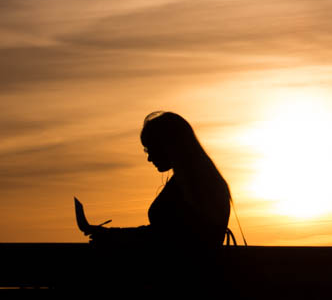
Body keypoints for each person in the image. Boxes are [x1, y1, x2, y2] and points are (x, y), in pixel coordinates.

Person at [89, 111, 232, 264]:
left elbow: (169, 238)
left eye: (150, 148)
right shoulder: (199, 180)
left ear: (167, 145)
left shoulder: (195, 183)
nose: (149, 158)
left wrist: (113, 236)